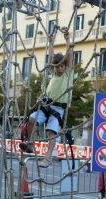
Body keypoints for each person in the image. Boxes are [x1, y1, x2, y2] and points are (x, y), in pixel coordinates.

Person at [19, 29, 73, 168]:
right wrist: (50, 42)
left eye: (61, 66)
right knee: (31, 119)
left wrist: (67, 39)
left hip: (58, 108)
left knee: (51, 132)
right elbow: (51, 58)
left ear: (65, 66)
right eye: (57, 67)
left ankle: (48, 157)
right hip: (46, 105)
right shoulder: (54, 74)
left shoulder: (67, 73)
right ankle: (30, 143)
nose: (59, 69)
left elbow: (68, 55)